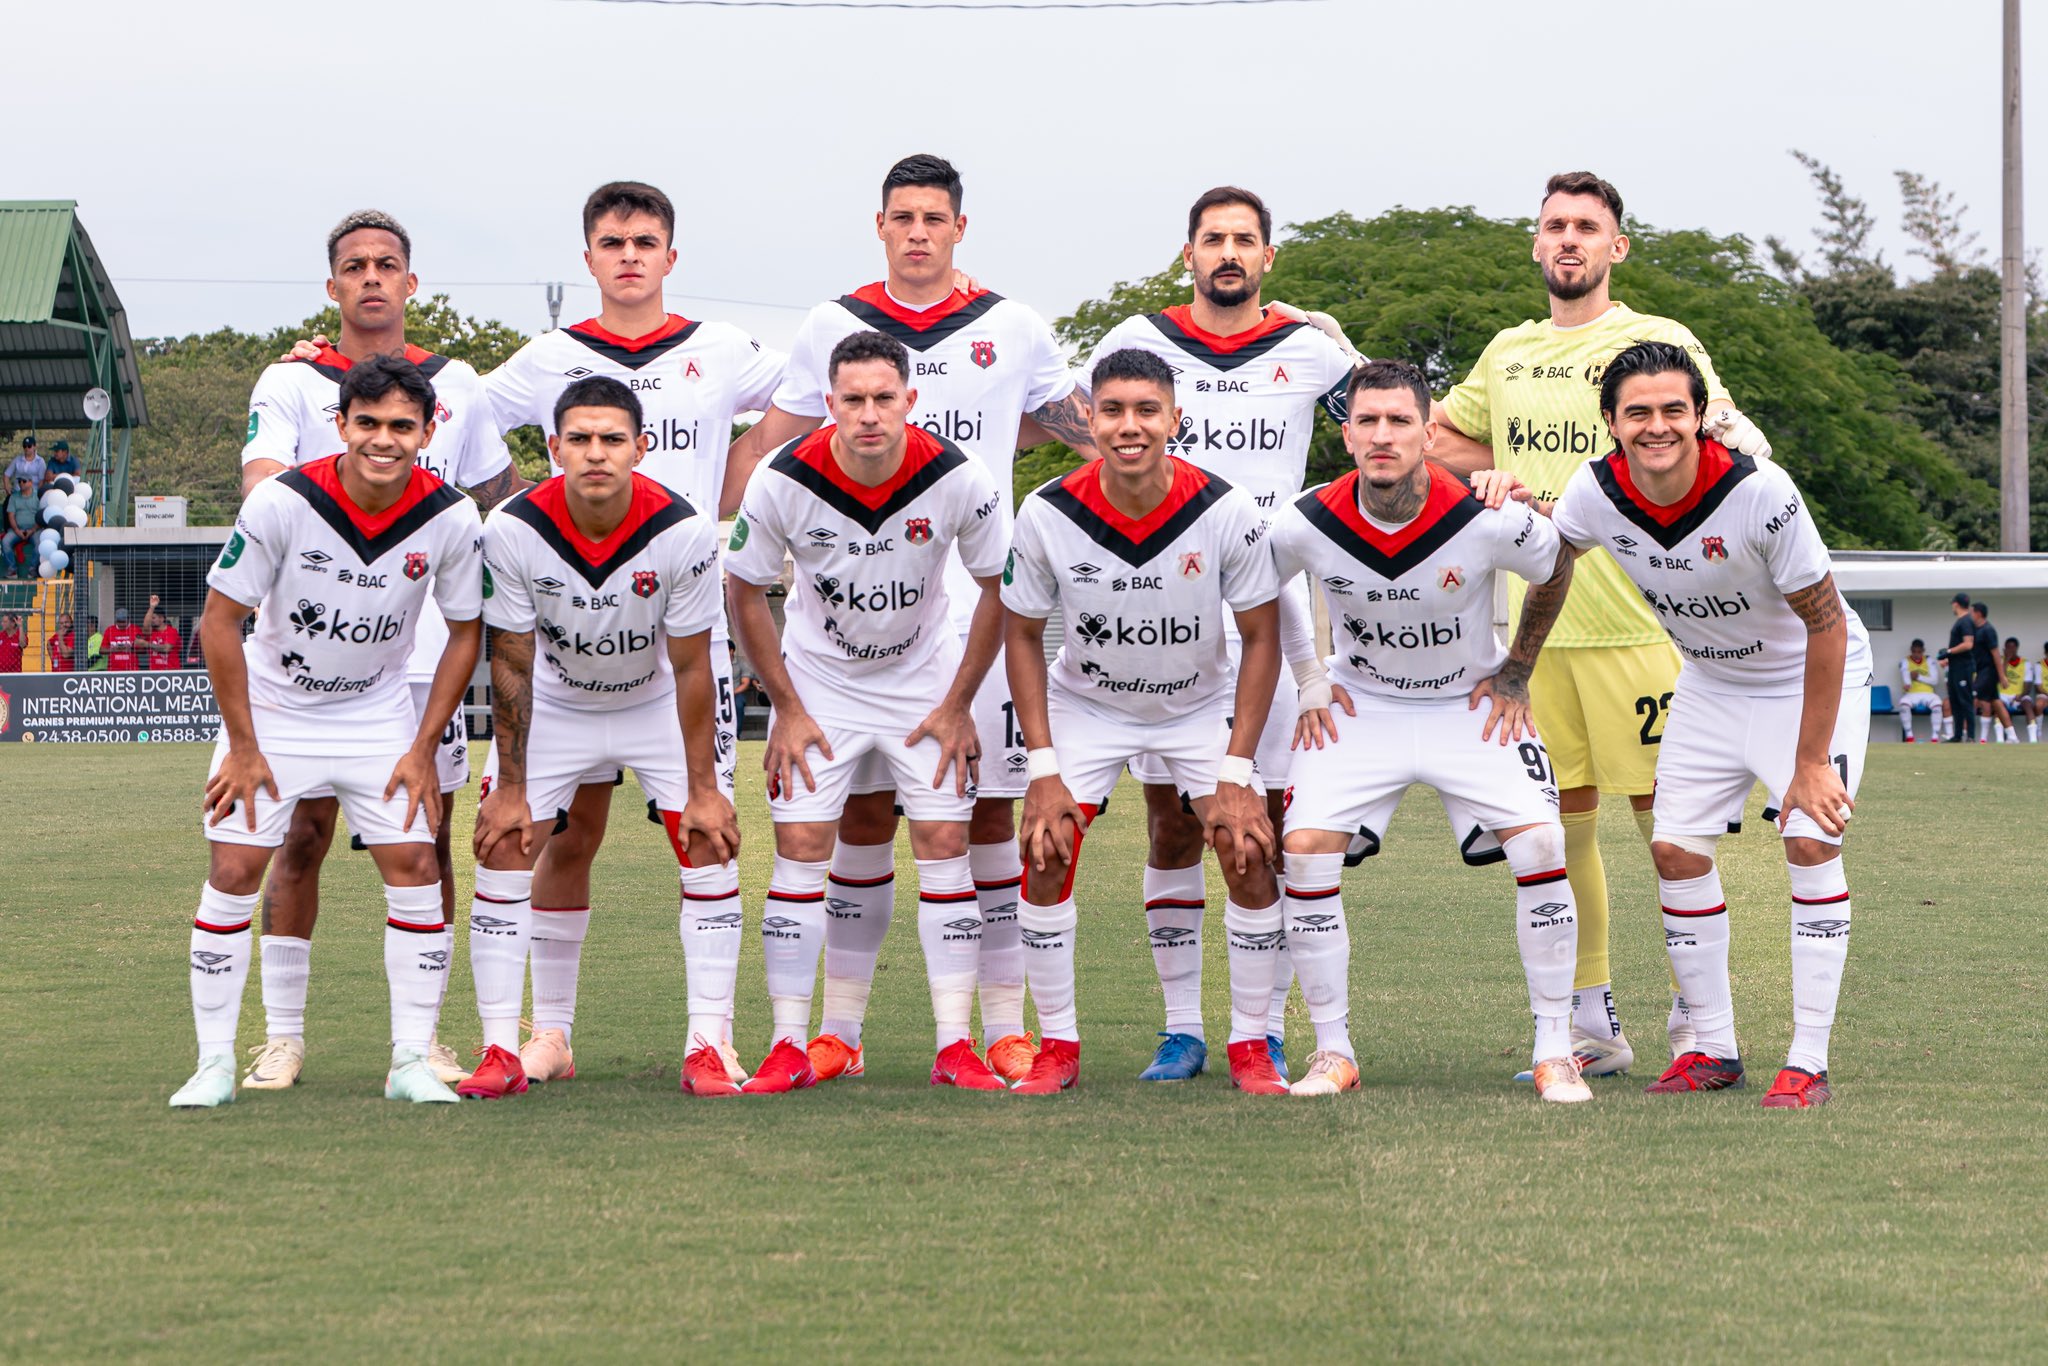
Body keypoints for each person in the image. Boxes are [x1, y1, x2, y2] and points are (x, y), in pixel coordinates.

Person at [724, 154, 1093, 1086]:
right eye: (903, 217)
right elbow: (773, 442)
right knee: (852, 820)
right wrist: (699, 532)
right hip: (848, 620)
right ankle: (834, 1032)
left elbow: (1080, 426)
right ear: (879, 226)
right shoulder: (831, 324)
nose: (918, 232)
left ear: (960, 227)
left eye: (935, 217)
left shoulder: (1012, 325)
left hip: (976, 616)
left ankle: (997, 1028)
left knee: (985, 820)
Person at [1409, 171, 1778, 1076]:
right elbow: (1438, 441)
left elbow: (1724, 438)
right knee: (1556, 828)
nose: (1568, 239)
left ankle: (1699, 1019)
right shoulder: (1508, 351)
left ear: (1617, 246)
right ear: (1535, 244)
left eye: (1585, 226)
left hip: (1646, 628)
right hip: (1539, 635)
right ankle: (1592, 1023)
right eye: (1554, 226)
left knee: (1672, 832)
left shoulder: (1658, 340)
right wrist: (1492, 473)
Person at [477, 181, 784, 1084]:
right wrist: (520, 516)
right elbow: (455, 415)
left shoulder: (719, 347)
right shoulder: (550, 357)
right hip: (567, 641)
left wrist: (742, 467)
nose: (629, 257)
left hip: (674, 623)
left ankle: (710, 1039)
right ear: (589, 259)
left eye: (645, 242)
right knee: (552, 839)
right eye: (612, 243)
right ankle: (542, 1035)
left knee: (707, 834)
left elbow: (815, 390)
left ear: (670, 257)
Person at [239, 209, 524, 1093]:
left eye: (387, 264)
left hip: (425, 653)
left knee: (428, 840)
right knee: (302, 836)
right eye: (355, 265)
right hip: (315, 654)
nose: (371, 276)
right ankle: (282, 1038)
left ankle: (425, 1040)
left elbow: (498, 497)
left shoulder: (458, 384)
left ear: (410, 282)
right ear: (332, 286)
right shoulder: (292, 381)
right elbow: (260, 485)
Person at [1542, 340, 1870, 1108]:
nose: (1656, 426)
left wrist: (1811, 762)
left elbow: (1826, 624)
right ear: (1611, 422)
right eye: (1638, 412)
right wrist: (1515, 669)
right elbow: (1550, 557)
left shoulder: (1760, 492)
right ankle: (1713, 1050)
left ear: (1699, 416)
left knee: (1809, 839)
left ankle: (1808, 1062)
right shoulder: (1593, 492)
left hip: (1807, 677)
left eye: (1673, 410)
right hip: (1711, 684)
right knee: (1675, 850)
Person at [1078, 186, 1356, 1082]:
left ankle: (1260, 1029)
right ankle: (1181, 1029)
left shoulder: (1309, 350)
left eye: (1243, 240)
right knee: (1170, 826)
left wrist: (1347, 352)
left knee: (1260, 825)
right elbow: (1091, 427)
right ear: (1188, 253)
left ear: (1267, 257)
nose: (1227, 253)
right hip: (1166, 616)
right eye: (1212, 239)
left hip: (1271, 620)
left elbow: (1390, 428)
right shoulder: (1140, 338)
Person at [1268, 360, 1590, 1102]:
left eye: (1400, 421)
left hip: (1467, 706)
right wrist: (1309, 675)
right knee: (1304, 852)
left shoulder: (1484, 512)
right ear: (1347, 436)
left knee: (1543, 843)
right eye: (1368, 421)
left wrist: (1517, 669)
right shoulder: (1306, 518)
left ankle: (1555, 1050)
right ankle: (1333, 1051)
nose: (1383, 435)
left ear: (1428, 434)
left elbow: (1554, 566)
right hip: (1362, 707)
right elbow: (1263, 584)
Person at [168, 354, 484, 1109]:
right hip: (275, 712)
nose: (384, 440)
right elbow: (219, 622)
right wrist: (244, 747)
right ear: (340, 424)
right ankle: (216, 1063)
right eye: (367, 422)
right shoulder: (281, 501)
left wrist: (421, 746)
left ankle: (410, 1060)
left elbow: (467, 632)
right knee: (235, 871)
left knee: (416, 865)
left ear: (427, 432)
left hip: (376, 714)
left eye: (402, 426)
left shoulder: (452, 516)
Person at [725, 330, 1012, 1092]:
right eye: (852, 400)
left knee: (945, 840)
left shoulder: (958, 474)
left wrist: (959, 703)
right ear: (830, 403)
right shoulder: (781, 476)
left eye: (885, 397)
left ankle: (955, 1046)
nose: (869, 414)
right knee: (801, 844)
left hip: (924, 680)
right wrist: (785, 705)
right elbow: (743, 588)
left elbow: (1000, 588)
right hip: (821, 683)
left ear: (911, 400)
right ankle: (793, 1043)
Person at [1002, 347, 1294, 1097]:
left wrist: (1237, 773)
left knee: (1247, 848)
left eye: (1146, 410)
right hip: (1090, 707)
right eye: (1112, 410)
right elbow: (1022, 635)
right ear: (1089, 418)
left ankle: (1251, 1044)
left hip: (1195, 706)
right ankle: (1057, 1046)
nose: (1128, 426)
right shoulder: (1048, 512)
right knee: (1044, 850)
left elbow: (1261, 637)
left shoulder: (1223, 509)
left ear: (1175, 419)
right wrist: (1042, 768)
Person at [457, 375, 742, 1100]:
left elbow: (692, 666)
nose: (595, 453)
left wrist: (705, 788)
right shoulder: (512, 528)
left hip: (655, 701)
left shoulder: (682, 530)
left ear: (641, 448)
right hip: (557, 702)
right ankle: (513, 1045)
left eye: (612, 439)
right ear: (553, 449)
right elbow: (511, 659)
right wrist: (510, 788)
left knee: (708, 841)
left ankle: (710, 1044)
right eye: (579, 439)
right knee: (504, 842)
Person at [1968, 603, 2011, 744]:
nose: (1970, 615)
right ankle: (2012, 735)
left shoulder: (1988, 630)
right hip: (1981, 670)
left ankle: (1969, 736)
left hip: (1989, 671)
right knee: (1996, 702)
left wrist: (2001, 676)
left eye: (1972, 612)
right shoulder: (1975, 630)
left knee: (1972, 697)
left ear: (1978, 613)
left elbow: (1996, 654)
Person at [1895, 639, 1944, 743]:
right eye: (1914, 651)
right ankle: (1909, 736)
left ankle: (1935, 738)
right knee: (1903, 704)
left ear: (1923, 651)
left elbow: (1935, 681)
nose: (1916, 654)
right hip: (1912, 693)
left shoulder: (1929, 661)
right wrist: (1907, 683)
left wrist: (1918, 677)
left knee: (1937, 704)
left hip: (1928, 693)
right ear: (1911, 650)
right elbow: (1905, 675)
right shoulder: (1905, 661)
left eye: (1919, 652)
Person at [1944, 593, 1978, 742]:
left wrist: (1949, 652)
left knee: (1965, 700)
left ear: (1956, 604)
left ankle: (1970, 736)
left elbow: (1968, 644)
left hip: (1964, 667)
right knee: (1955, 700)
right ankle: (1957, 735)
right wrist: (1947, 658)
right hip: (1955, 667)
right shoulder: (1960, 621)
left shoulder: (1966, 621)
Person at [1998, 637, 2039, 742]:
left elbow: (2028, 685)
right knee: (1998, 705)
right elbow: (2000, 679)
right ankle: (2000, 740)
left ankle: (2033, 740)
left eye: (2012, 648)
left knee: (2028, 704)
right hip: (2003, 695)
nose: (2010, 650)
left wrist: (2020, 696)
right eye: (2008, 648)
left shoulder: (2025, 663)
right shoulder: (2000, 661)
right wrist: (2006, 660)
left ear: (2017, 648)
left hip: (2019, 695)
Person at [3, 476, 38, 575]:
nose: (21, 483)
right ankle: (12, 570)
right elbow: (11, 516)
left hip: (35, 529)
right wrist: (17, 530)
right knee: (5, 542)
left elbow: (41, 516)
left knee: (40, 543)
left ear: (31, 482)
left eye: (24, 481)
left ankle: (32, 569)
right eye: (19, 481)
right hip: (16, 529)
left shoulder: (38, 495)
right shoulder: (13, 497)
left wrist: (32, 530)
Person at [143, 595, 182, 670]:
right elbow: (146, 626)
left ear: (161, 618)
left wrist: (147, 644)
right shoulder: (151, 632)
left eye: (153, 618)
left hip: (171, 671)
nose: (151, 620)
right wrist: (152, 607)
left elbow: (166, 648)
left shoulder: (171, 631)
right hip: (154, 672)